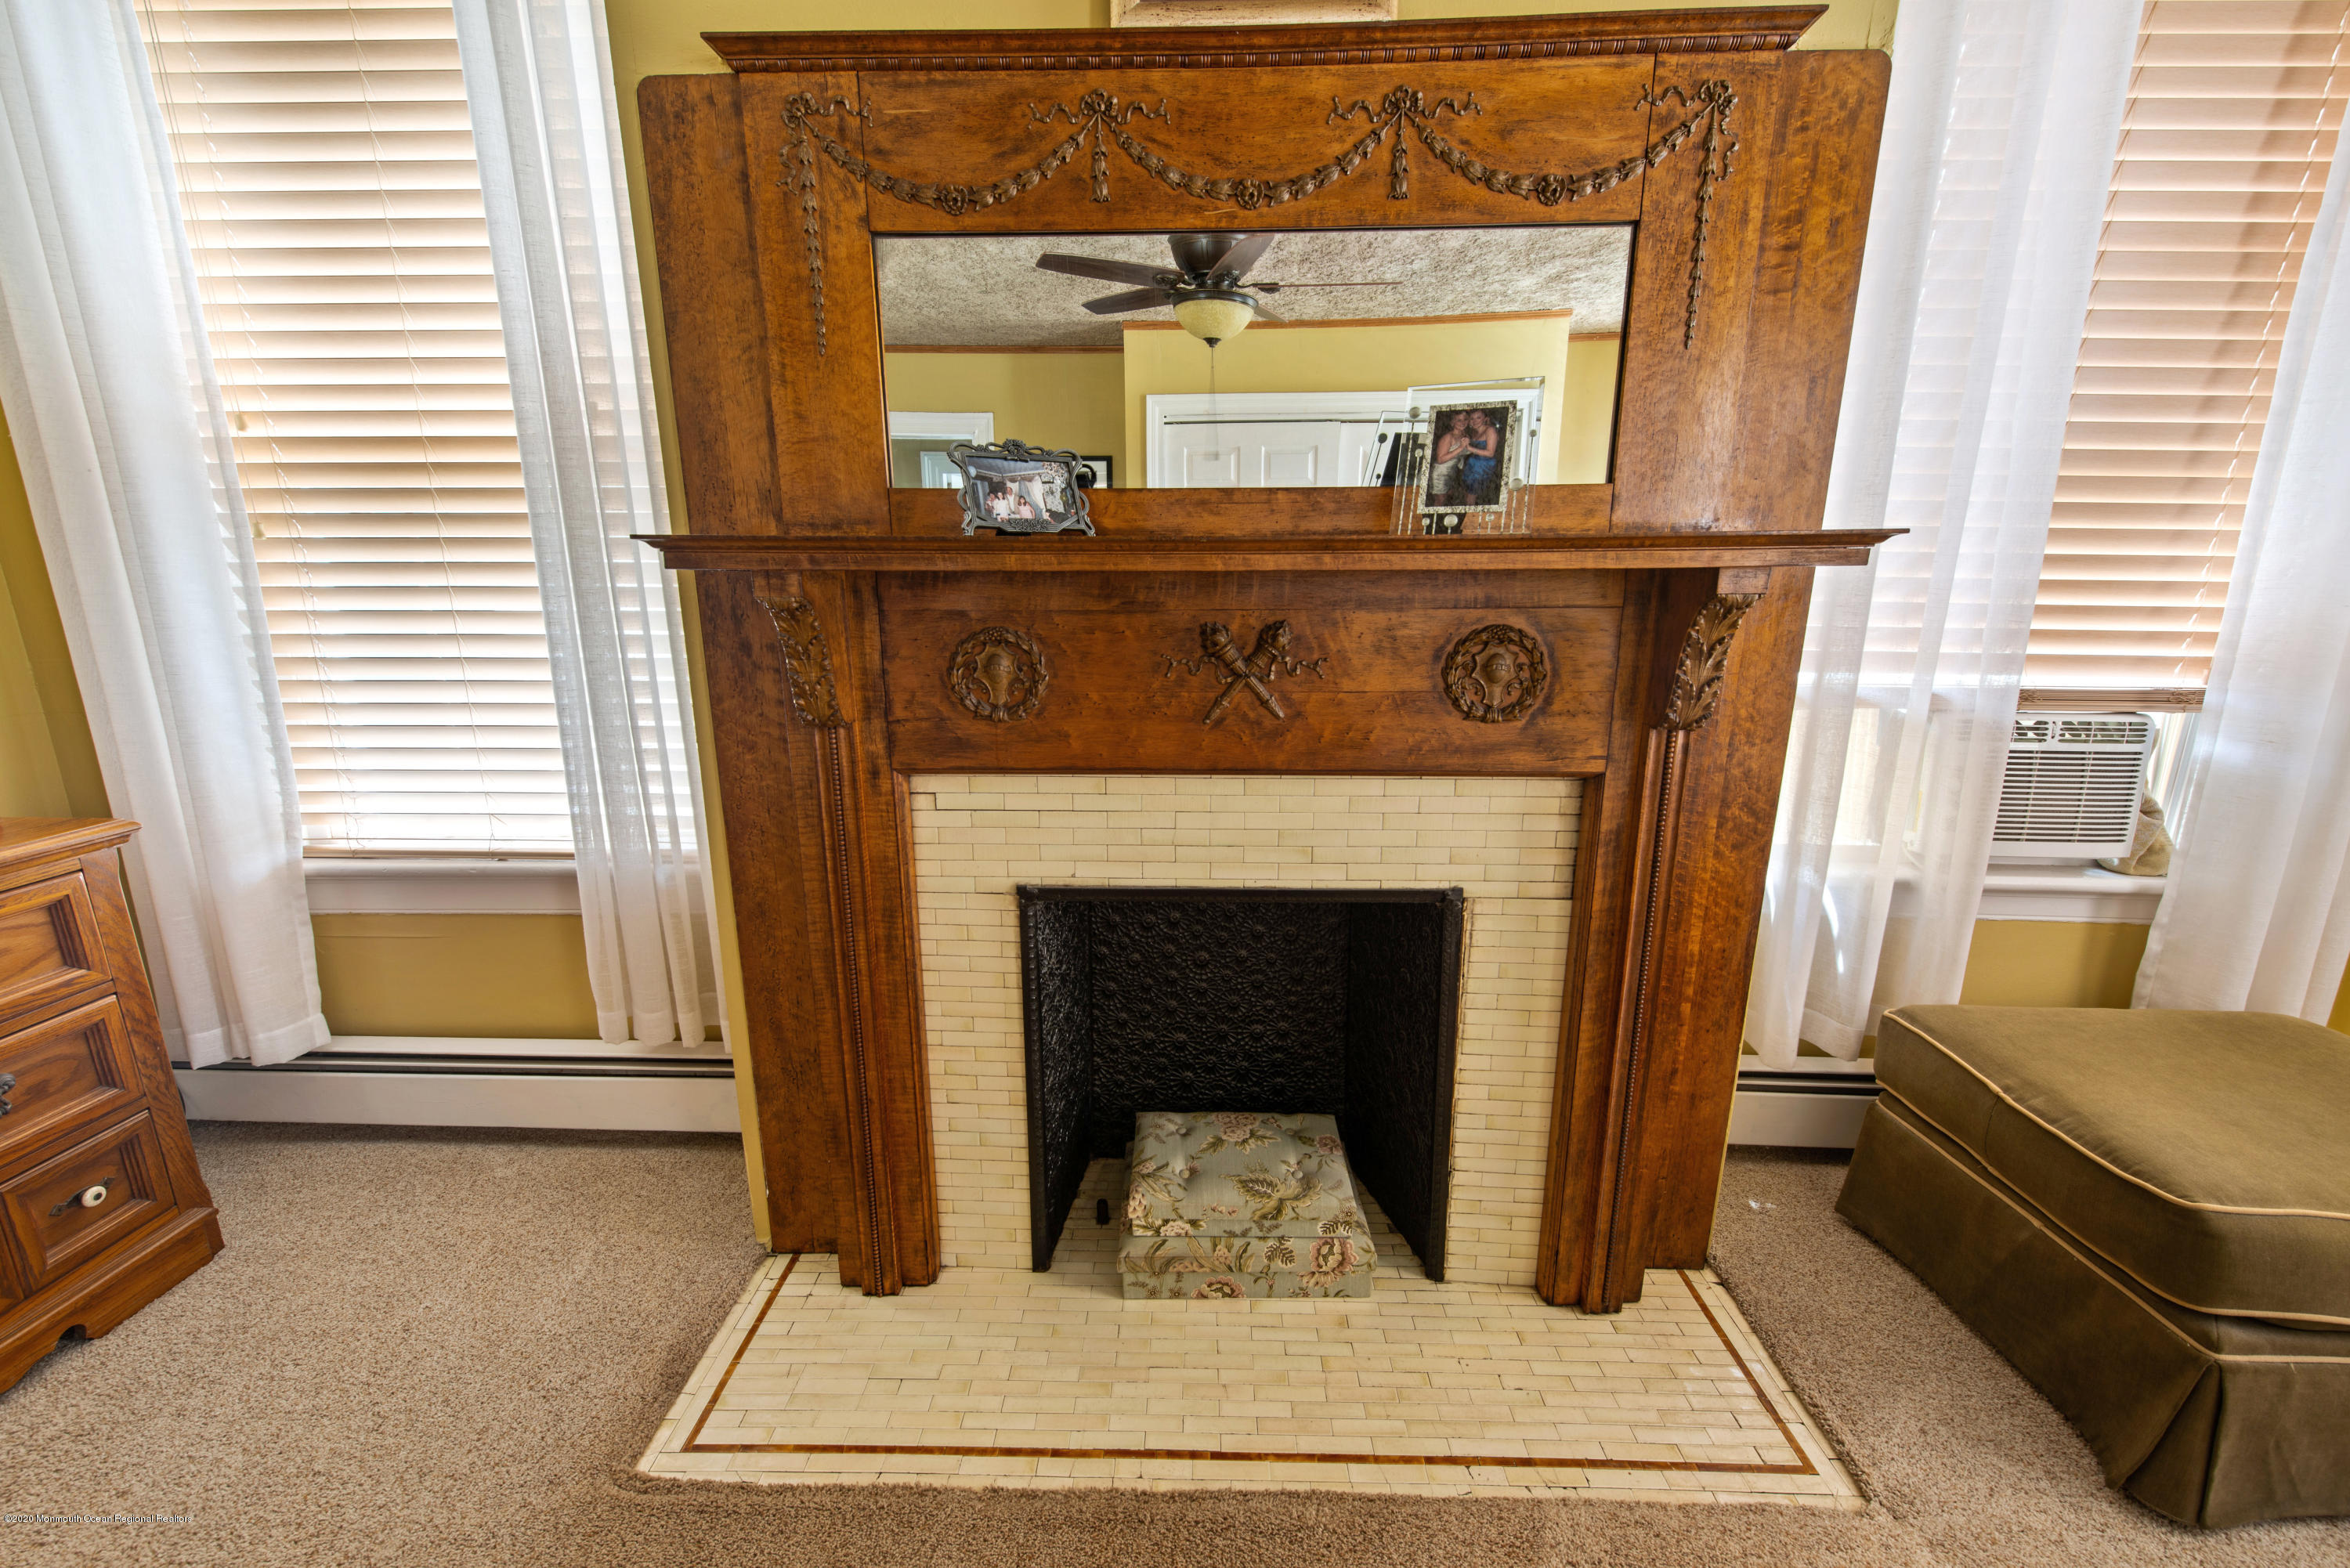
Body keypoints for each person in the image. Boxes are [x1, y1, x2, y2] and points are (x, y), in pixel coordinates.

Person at [1459, 408, 1502, 505]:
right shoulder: (1474, 432)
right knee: (1467, 493)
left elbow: (1491, 453)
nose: (1475, 421)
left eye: (1478, 418)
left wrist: (1470, 448)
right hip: (1472, 464)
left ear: (1485, 419)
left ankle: (1469, 516)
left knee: (1471, 495)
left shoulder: (1490, 430)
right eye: (1472, 418)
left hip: (1483, 466)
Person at [1426, 411, 1470, 505]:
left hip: (1452, 473)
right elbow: (1440, 459)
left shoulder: (1465, 435)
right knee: (1439, 503)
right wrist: (1461, 448)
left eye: (1465, 419)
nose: (1463, 423)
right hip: (1440, 474)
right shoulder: (1448, 437)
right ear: (1453, 422)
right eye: (1459, 420)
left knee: (1446, 501)